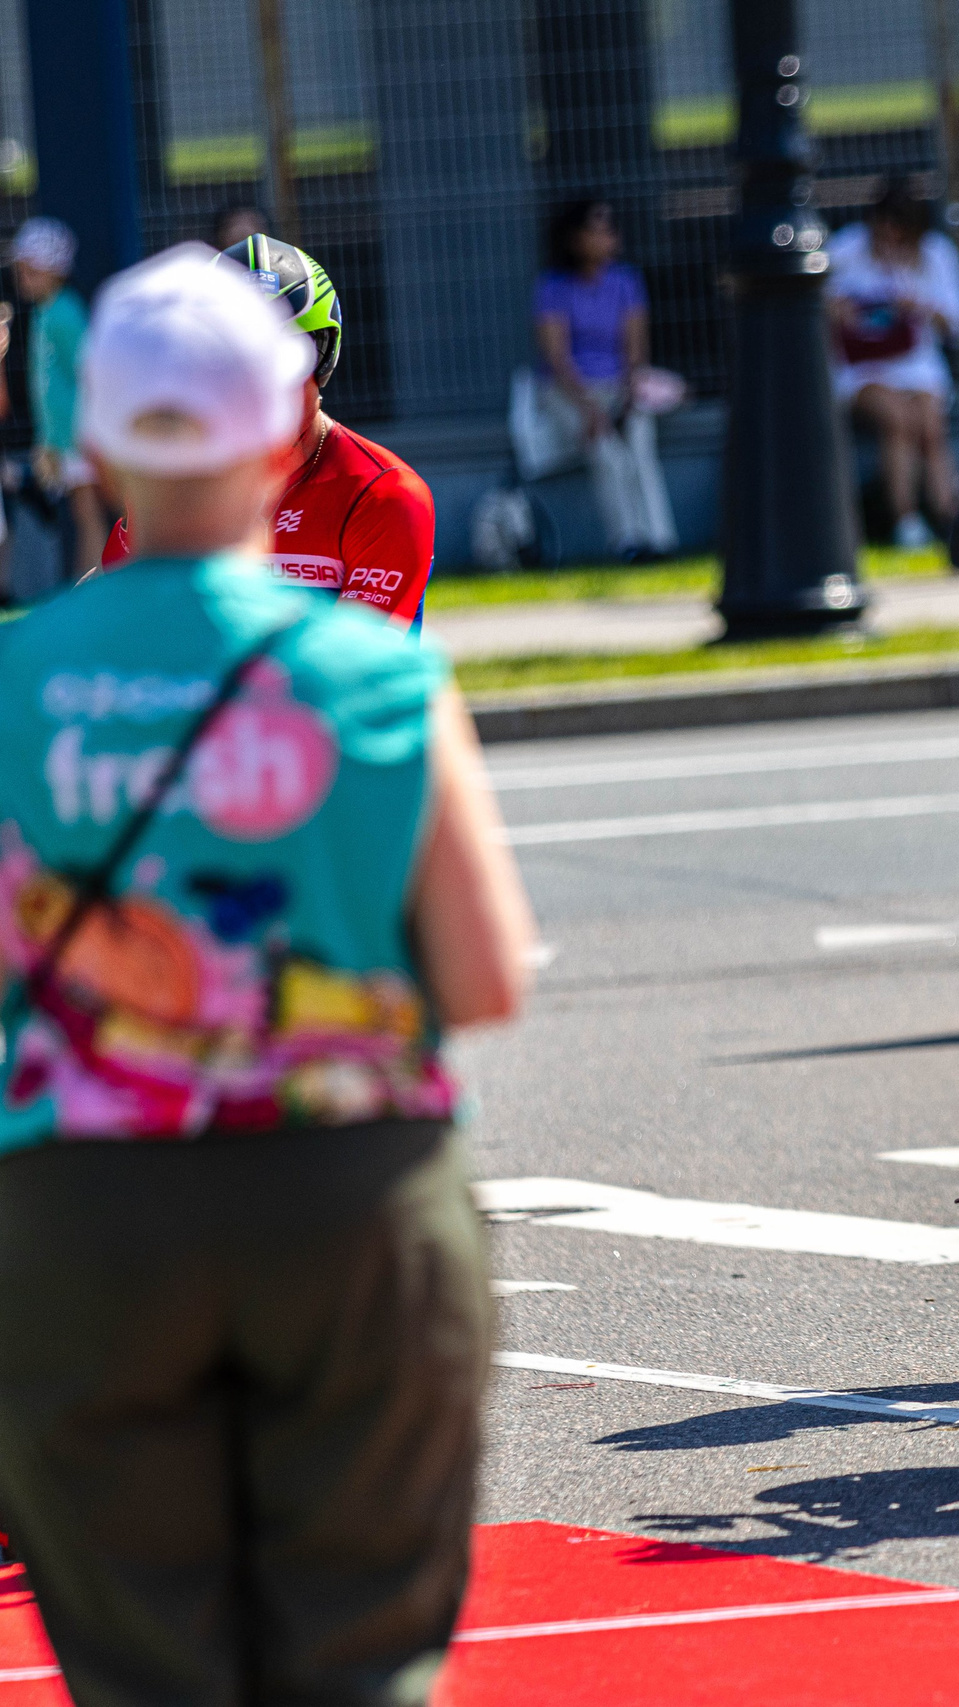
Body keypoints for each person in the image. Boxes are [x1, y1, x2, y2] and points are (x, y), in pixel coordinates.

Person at [0, 242, 533, 1705]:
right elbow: (485, 976)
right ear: (287, 415)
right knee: (358, 1655)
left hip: (82, 1201)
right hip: (347, 1187)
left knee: (147, 1667)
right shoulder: (379, 677)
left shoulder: (15, 675)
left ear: (93, 440)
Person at [98, 236, 436, 630]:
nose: (262, 391)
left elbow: (343, 678)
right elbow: (112, 622)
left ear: (323, 357)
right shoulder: (177, 489)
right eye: (233, 367)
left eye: (280, 362)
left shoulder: (384, 495)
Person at [825, 184, 959, 553]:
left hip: (917, 365)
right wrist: (837, 310)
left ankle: (950, 522)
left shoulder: (937, 254)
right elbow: (813, 305)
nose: (890, 240)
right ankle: (905, 522)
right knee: (898, 419)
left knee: (929, 424)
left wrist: (920, 304)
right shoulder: (844, 249)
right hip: (862, 368)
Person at [533, 198, 678, 563]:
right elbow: (557, 358)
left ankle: (659, 540)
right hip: (571, 392)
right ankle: (627, 543)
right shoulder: (553, 287)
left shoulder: (625, 281)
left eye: (610, 228)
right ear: (574, 238)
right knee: (607, 453)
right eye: (596, 229)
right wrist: (589, 410)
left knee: (640, 442)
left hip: (619, 386)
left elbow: (635, 347)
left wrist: (630, 393)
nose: (607, 237)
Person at [11, 218, 107, 581]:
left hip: (78, 437)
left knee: (87, 514)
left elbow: (88, 374)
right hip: (66, 440)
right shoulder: (48, 311)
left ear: (52, 270)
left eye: (30, 269)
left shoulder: (65, 312)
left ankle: (90, 586)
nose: (23, 276)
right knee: (83, 514)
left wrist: (60, 440)